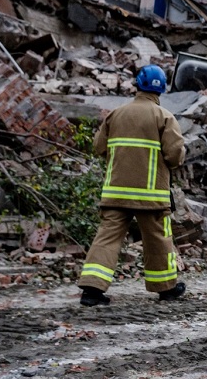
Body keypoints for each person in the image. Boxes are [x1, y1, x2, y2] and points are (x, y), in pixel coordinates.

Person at [77, 65, 186, 307]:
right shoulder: (164, 117)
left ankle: (92, 290)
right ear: (162, 88)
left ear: (137, 84)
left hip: (116, 193)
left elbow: (98, 147)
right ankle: (166, 289)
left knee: (107, 238)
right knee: (158, 239)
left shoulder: (116, 114)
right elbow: (175, 155)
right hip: (151, 195)